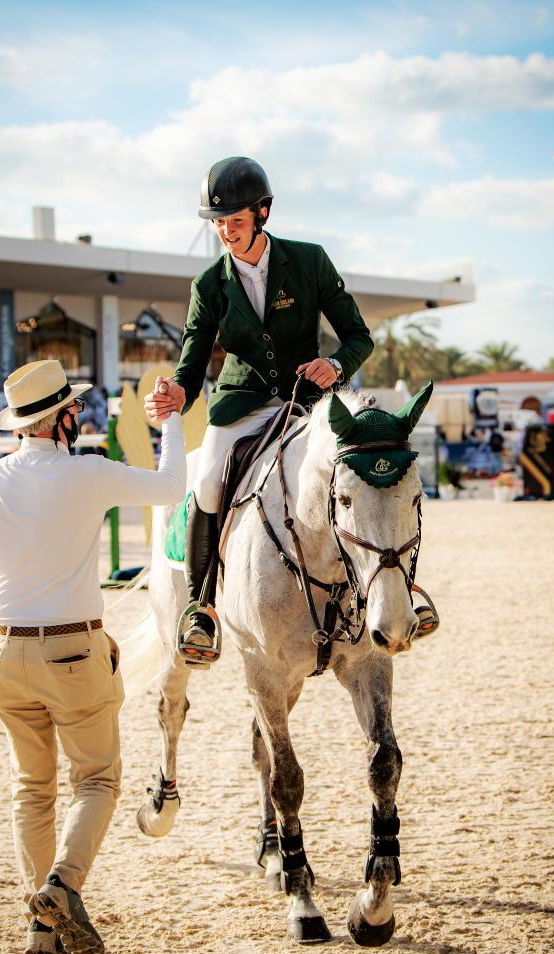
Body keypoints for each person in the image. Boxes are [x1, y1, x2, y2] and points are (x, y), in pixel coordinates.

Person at [0, 360, 186, 954]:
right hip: (73, 649)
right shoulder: (87, 472)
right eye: (73, 407)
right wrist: (171, 420)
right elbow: (169, 487)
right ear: (59, 419)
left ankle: (40, 926)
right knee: (98, 779)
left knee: (31, 789)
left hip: (4, 652)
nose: (79, 414)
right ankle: (62, 886)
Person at [145, 156, 373, 666]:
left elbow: (359, 337)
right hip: (241, 404)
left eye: (235, 220)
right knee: (207, 486)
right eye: (219, 223)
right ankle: (201, 607)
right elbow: (192, 362)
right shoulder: (208, 284)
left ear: (262, 213)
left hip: (308, 403)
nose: (226, 232)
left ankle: (392, 588)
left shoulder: (309, 261)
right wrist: (178, 393)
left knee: (361, 468)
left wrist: (335, 365)